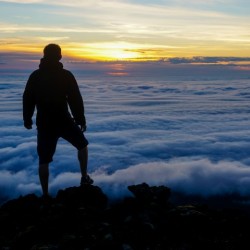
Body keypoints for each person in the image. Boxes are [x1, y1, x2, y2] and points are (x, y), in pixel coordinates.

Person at [23, 44, 93, 197]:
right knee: (82, 145)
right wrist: (80, 119)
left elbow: (28, 99)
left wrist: (27, 119)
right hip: (64, 120)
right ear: (59, 56)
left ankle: (45, 194)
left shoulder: (35, 76)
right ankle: (84, 177)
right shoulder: (66, 75)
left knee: (44, 159)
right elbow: (75, 99)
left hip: (44, 123)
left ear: (44, 56)